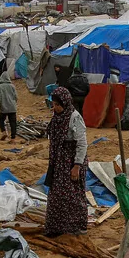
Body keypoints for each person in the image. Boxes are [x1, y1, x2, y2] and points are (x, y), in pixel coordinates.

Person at [44, 87, 89, 236]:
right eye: (54, 104)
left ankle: (76, 227)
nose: (55, 108)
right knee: (57, 196)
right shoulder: (57, 118)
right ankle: (56, 228)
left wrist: (77, 166)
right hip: (59, 164)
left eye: (58, 105)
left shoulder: (75, 118)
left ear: (66, 103)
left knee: (73, 196)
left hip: (71, 163)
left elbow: (82, 144)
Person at [0, 71, 18, 141]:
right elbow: (16, 97)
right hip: (12, 107)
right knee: (13, 122)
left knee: (1, 120)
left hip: (4, 108)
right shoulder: (12, 86)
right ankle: (13, 138)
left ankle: (4, 132)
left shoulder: (0, 87)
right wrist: (13, 103)